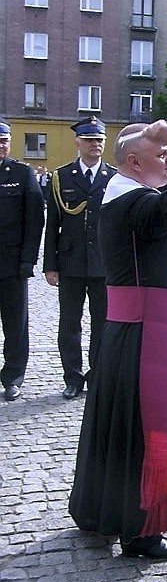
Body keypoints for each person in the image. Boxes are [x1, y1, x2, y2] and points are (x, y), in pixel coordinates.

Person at [68, 119, 167, 560]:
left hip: (129, 331)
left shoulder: (124, 195)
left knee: (115, 429)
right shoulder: (134, 201)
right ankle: (141, 531)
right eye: (161, 154)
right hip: (148, 334)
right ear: (133, 162)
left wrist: (159, 140)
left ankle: (100, 511)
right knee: (148, 431)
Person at [43, 116, 116, 399]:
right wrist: (50, 265)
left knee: (103, 324)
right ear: (78, 143)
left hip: (104, 265)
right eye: (89, 140)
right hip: (70, 263)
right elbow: (53, 225)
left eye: (99, 140)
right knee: (69, 324)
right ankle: (72, 377)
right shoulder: (62, 177)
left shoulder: (113, 178)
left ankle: (97, 374)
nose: (95, 144)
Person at [0, 121, 45, 401]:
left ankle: (13, 377)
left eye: (4, 141)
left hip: (12, 264)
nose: (1, 146)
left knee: (15, 325)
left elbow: (35, 221)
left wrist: (28, 260)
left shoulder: (22, 173)